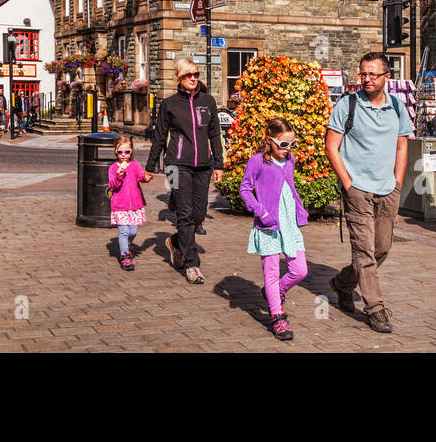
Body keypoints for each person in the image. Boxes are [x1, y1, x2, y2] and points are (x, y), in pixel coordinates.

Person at [325, 50, 414, 333]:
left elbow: (402, 146)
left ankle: (343, 283)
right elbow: (331, 146)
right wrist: (348, 184)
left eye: (373, 74)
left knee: (381, 249)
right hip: (358, 190)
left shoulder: (398, 108)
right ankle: (375, 308)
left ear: (387, 77)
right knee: (364, 251)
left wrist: (397, 182)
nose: (366, 79)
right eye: (362, 73)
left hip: (388, 188)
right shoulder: (347, 105)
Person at [146, 58, 223, 284]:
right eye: (188, 75)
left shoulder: (208, 101)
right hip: (175, 165)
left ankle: (176, 242)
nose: (193, 78)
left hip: (203, 166)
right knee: (184, 214)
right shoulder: (169, 104)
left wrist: (218, 163)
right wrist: (150, 167)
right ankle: (192, 265)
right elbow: (159, 137)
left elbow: (214, 134)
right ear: (179, 78)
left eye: (196, 74)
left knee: (198, 214)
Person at [240, 118, 309, 341]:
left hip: (289, 223)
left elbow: (289, 187)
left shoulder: (290, 160)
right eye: (283, 144)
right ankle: (278, 317)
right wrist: (261, 212)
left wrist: (300, 210)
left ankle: (277, 293)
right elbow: (245, 189)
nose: (287, 150)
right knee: (271, 273)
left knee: (300, 270)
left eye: (292, 144)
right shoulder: (257, 161)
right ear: (269, 141)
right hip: (268, 223)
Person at [108, 135, 153, 271]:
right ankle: (125, 255)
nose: (123, 155)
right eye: (120, 152)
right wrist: (119, 174)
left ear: (131, 151)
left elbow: (141, 177)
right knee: (123, 232)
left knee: (132, 231)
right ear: (115, 152)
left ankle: (125, 246)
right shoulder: (113, 168)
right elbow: (113, 185)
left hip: (134, 204)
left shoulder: (135, 166)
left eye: (126, 152)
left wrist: (146, 177)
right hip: (120, 205)